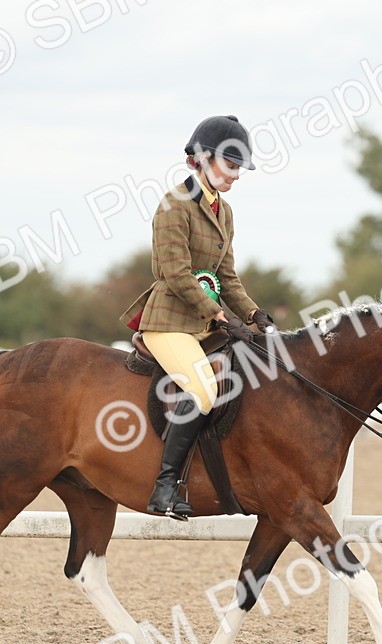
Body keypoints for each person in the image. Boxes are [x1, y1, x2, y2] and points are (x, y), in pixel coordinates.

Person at [120, 114, 274, 520]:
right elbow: (175, 273)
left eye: (239, 167)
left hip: (205, 325)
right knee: (204, 391)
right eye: (231, 165)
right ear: (202, 159)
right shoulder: (174, 205)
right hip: (169, 322)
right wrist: (218, 315)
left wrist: (254, 313)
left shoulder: (224, 211)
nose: (236, 175)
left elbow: (227, 277)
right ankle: (164, 487)